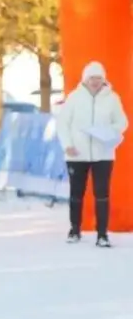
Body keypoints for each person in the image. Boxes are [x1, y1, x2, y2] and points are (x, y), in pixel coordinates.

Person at [55, 61, 128, 247]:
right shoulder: (74, 98)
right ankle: (74, 230)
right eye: (92, 78)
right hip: (76, 154)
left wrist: (108, 130)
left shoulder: (112, 98)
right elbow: (63, 123)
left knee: (102, 194)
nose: (95, 82)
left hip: (103, 154)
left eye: (99, 78)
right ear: (85, 79)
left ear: (104, 79)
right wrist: (68, 145)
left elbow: (122, 122)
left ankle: (102, 234)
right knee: (76, 193)